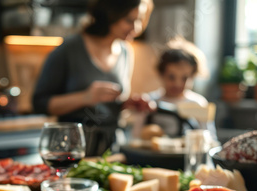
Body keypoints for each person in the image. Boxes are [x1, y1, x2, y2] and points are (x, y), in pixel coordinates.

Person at [31, 0, 154, 156]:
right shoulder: (69, 49)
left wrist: (127, 104)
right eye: (129, 20)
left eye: (140, 20)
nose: (136, 28)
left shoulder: (125, 52)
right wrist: (85, 97)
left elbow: (109, 106)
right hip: (71, 149)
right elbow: (39, 103)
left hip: (111, 149)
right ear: (109, 15)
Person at [142, 46, 217, 139]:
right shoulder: (149, 101)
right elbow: (136, 136)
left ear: (193, 76)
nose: (177, 84)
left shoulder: (198, 104)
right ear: (161, 74)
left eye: (185, 78)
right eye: (171, 77)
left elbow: (210, 138)